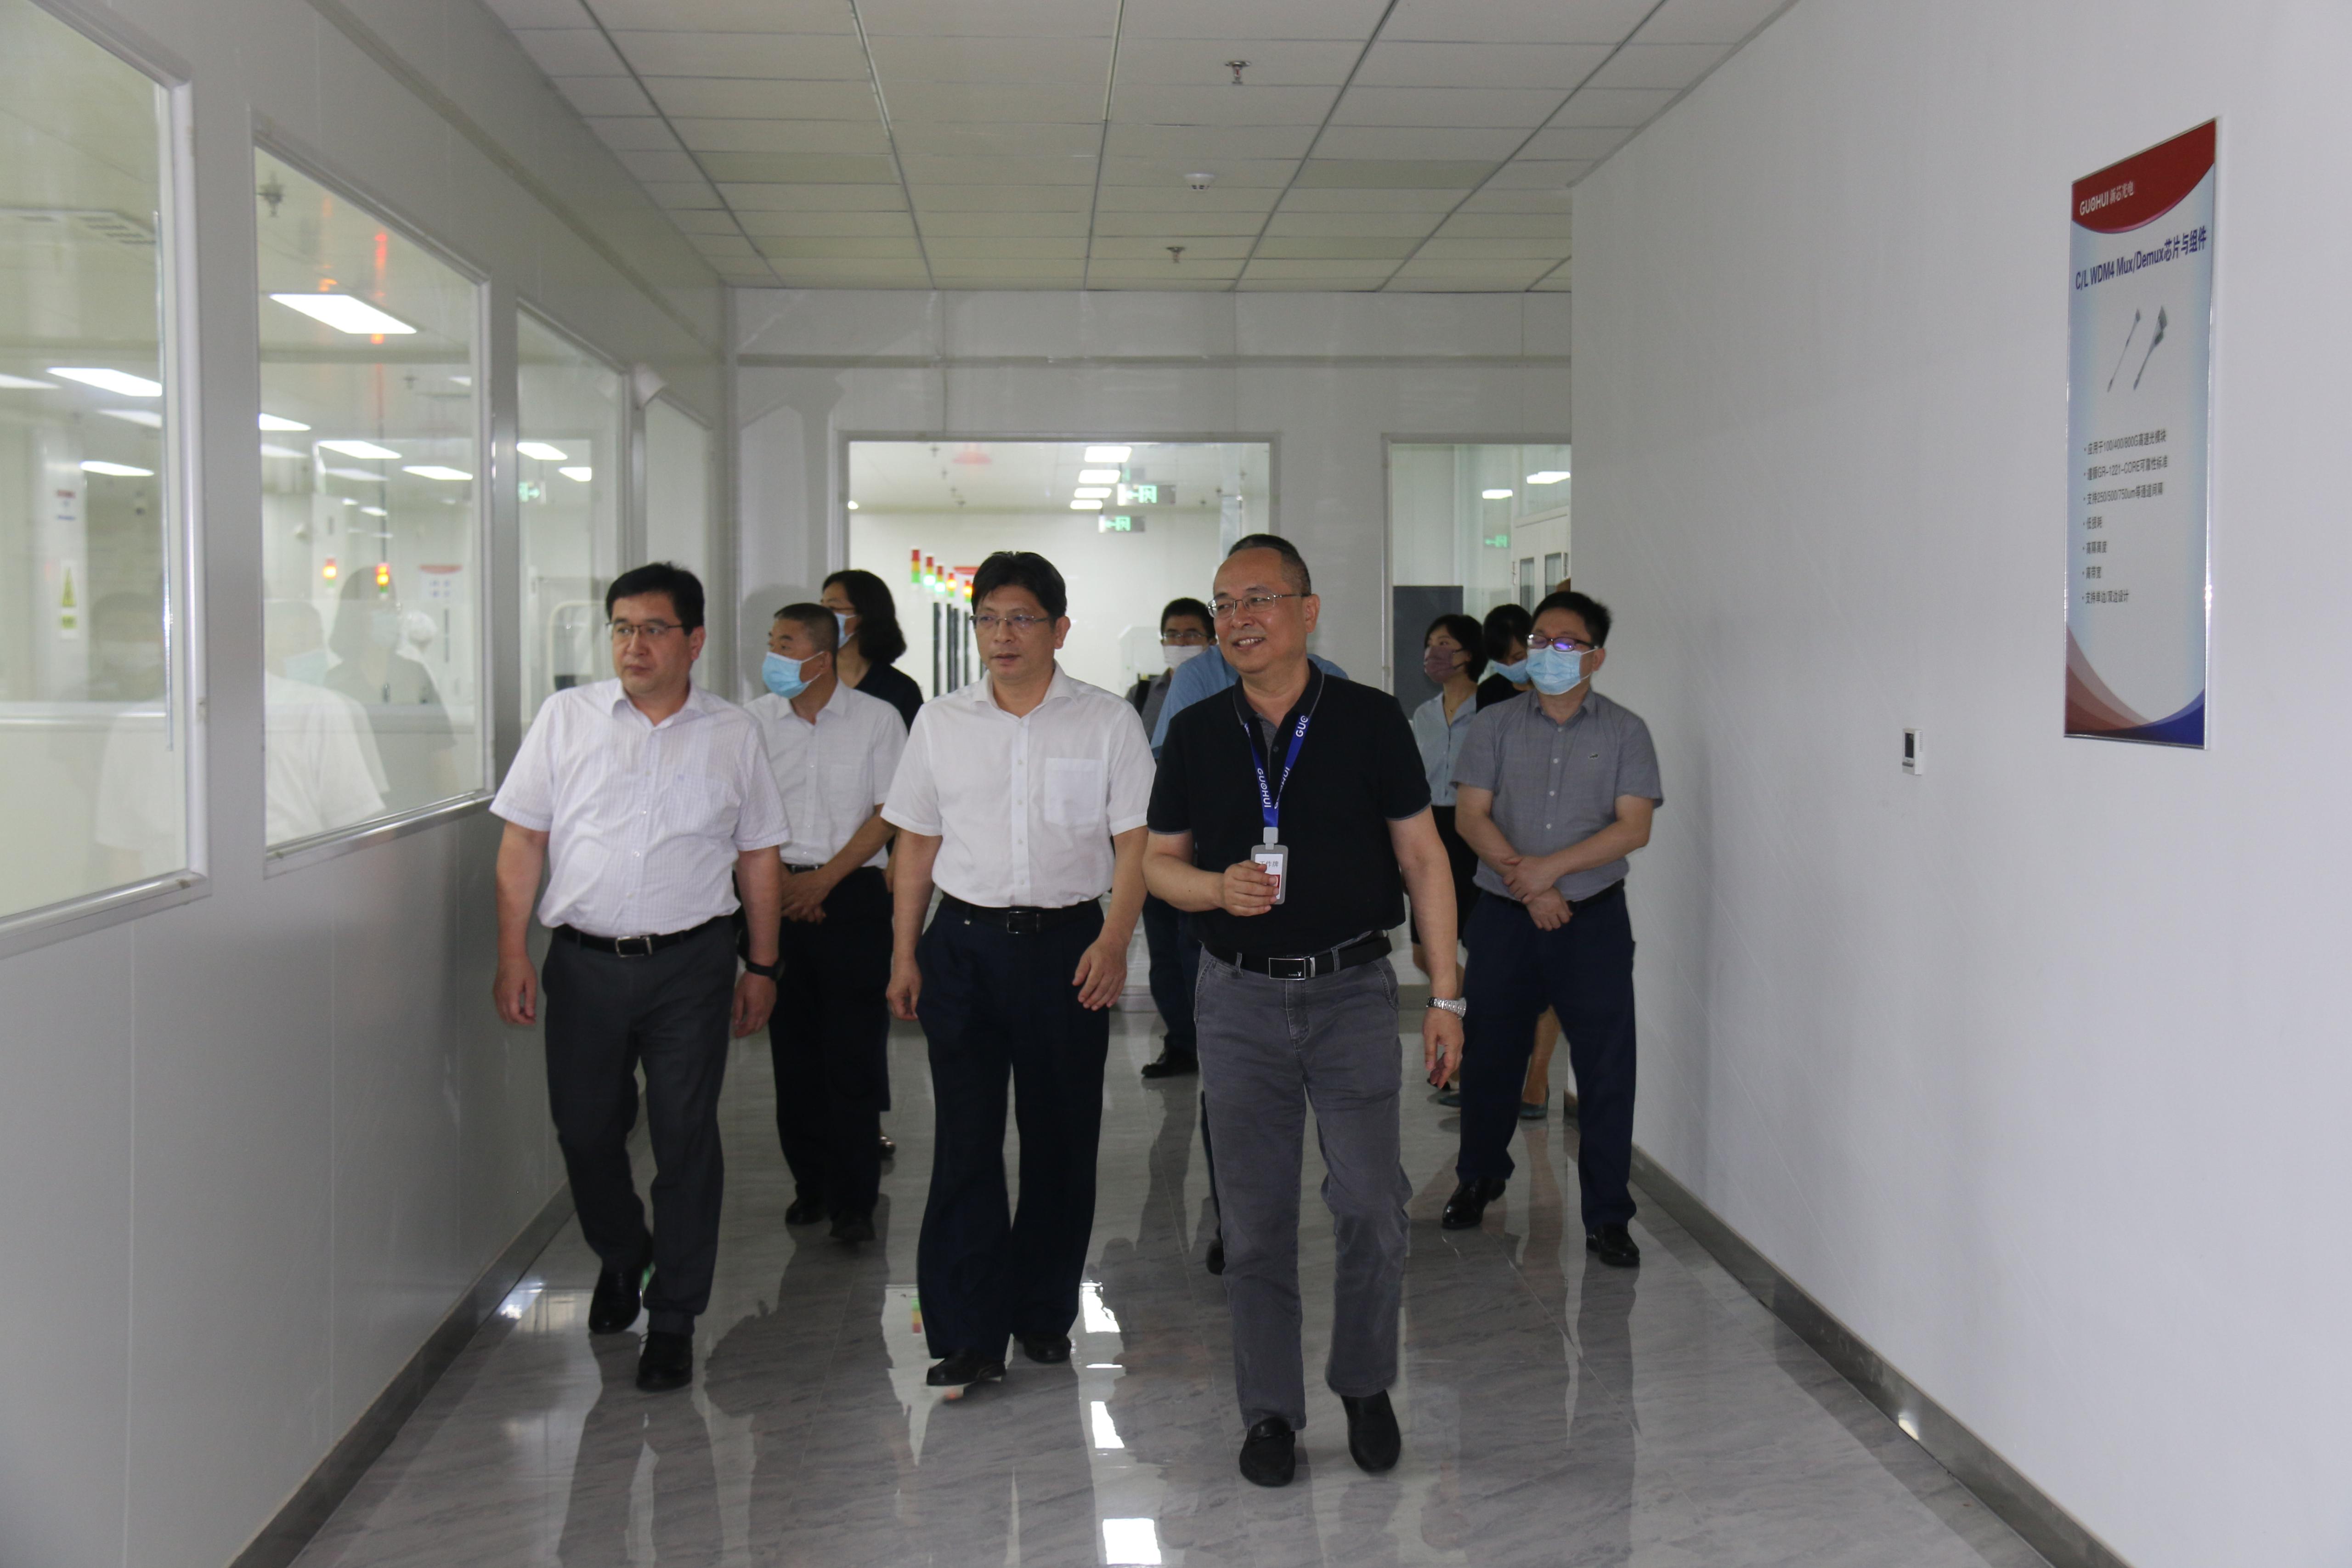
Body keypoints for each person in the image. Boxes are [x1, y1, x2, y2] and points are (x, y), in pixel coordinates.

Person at [1145, 533, 1466, 1489]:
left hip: (1351, 991)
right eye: (1224, 603)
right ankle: (1271, 1411)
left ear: (1307, 609)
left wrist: (1446, 993)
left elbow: (1424, 858)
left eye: (1258, 598)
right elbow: (1157, 862)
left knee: (1371, 1201)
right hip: (1237, 996)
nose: (1238, 618)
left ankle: (1364, 1381)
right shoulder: (1195, 729)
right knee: (1253, 1220)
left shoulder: (1368, 719)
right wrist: (1214, 888)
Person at [490, 562, 787, 1393]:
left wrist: (763, 964)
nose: (634, 645)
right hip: (583, 962)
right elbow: (524, 840)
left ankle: (675, 1316)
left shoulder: (733, 733)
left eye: (654, 629)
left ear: (694, 641)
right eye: (622, 628)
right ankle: (624, 1251)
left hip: (692, 963)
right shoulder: (567, 718)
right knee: (586, 1131)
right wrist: (513, 950)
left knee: (686, 1137)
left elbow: (758, 855)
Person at [881, 550, 1153, 1390]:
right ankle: (966, 1331)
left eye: (1022, 618)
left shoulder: (1107, 722)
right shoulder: (941, 722)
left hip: (1068, 947)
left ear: (1059, 629)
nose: (1003, 635)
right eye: (989, 619)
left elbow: (1136, 844)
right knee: (964, 1139)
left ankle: (1041, 1312)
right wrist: (904, 951)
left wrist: (1114, 941)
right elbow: (915, 844)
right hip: (963, 944)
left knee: (1061, 1138)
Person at [1443, 589, 1661, 1271]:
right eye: (1539, 640)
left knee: (1605, 1067)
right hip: (1504, 917)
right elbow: (1470, 816)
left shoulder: (1626, 731)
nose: (1548, 652)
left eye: (1566, 643)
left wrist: (1551, 873)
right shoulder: (1494, 724)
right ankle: (1480, 1174)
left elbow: (1634, 827)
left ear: (1596, 656)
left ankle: (1608, 1214)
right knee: (1489, 1055)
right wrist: (1528, 883)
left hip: (1591, 919)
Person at [746, 602, 905, 1244]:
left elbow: (889, 812)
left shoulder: (877, 719)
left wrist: (825, 879)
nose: (773, 655)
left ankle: (854, 1200)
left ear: (821, 655)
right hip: (773, 895)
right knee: (793, 1054)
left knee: (852, 1052)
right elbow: (740, 812)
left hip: (852, 897)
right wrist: (784, 886)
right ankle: (809, 1185)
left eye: (784, 644)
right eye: (772, 642)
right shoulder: (752, 723)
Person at [1474, 600, 1561, 1120]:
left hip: (1558, 853)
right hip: (1502, 850)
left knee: (1549, 982)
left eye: (1520, 652)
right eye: (1505, 658)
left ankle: (1537, 1080)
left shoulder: (1566, 693)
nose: (1516, 665)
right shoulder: (1491, 696)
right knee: (1502, 984)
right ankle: (1492, 1083)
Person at [1128, 597, 1215, 1078]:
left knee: (1196, 946)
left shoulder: (1221, 685)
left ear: (1210, 639)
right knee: (1163, 948)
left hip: (1206, 842)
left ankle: (1212, 1041)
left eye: (1191, 634)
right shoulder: (1141, 694)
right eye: (1173, 634)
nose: (1181, 643)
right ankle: (1179, 1042)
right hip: (1152, 838)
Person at [325, 570, 458, 807]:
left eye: (392, 608)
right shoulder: (337, 683)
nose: (387, 616)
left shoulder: (415, 675)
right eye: (377, 609)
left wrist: (452, 812)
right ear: (354, 617)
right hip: (361, 813)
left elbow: (441, 754)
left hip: (416, 808)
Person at [1408, 613, 1487, 983]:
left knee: (1478, 940)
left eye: (1444, 644)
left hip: (1475, 830)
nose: (1433, 652)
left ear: (1468, 654)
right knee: (1425, 952)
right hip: (1431, 829)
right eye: (1430, 644)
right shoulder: (1423, 714)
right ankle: (1476, 1005)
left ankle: (1486, 1008)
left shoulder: (1490, 711)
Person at [822, 567, 924, 729]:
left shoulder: (900, 689)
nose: (822, 617)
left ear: (865, 615)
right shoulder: (811, 678)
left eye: (833, 609)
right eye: (821, 607)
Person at [1476, 602, 1532, 711]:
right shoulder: (1489, 692)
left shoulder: (1555, 686)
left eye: (1518, 658)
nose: (1511, 666)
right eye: (1502, 662)